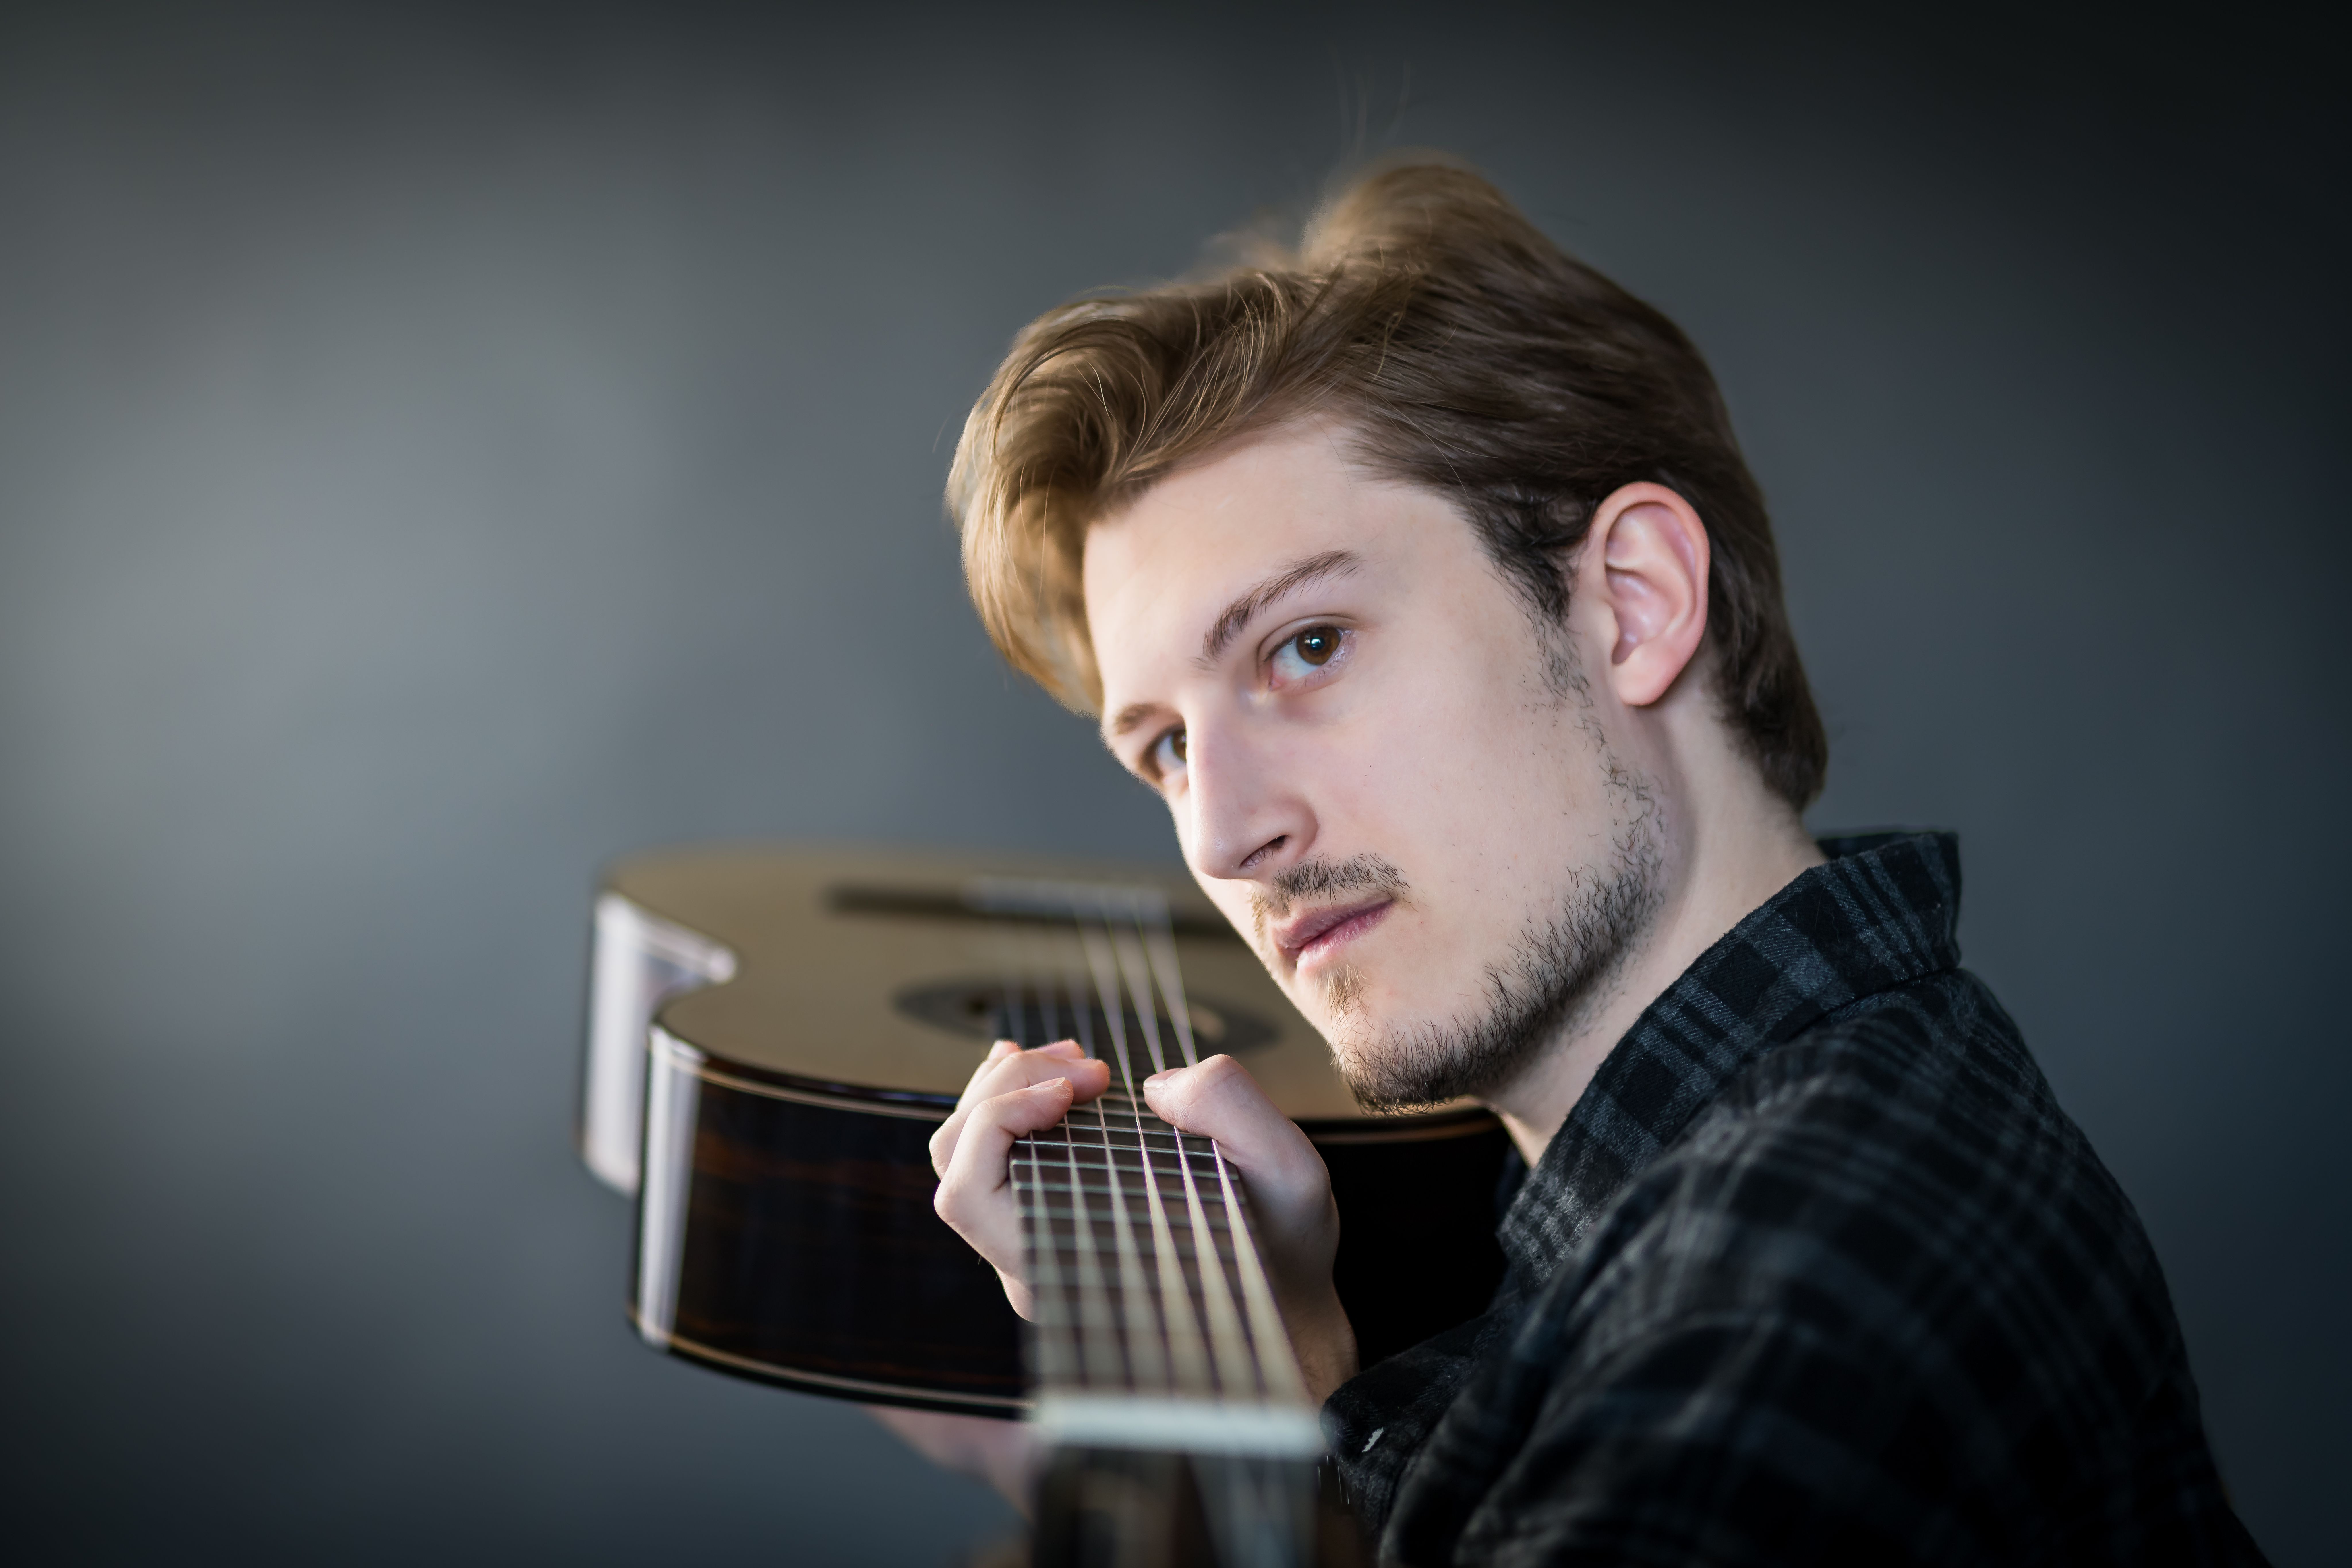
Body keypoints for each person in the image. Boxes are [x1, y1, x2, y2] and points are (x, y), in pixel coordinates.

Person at [918, 157, 2265, 1563]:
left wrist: (1199, 1473)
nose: (1222, 833)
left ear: (1631, 604)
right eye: (1165, 750)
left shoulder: (1778, 1310)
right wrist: (1297, 1375)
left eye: (1305, 646)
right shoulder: (1741, 1151)